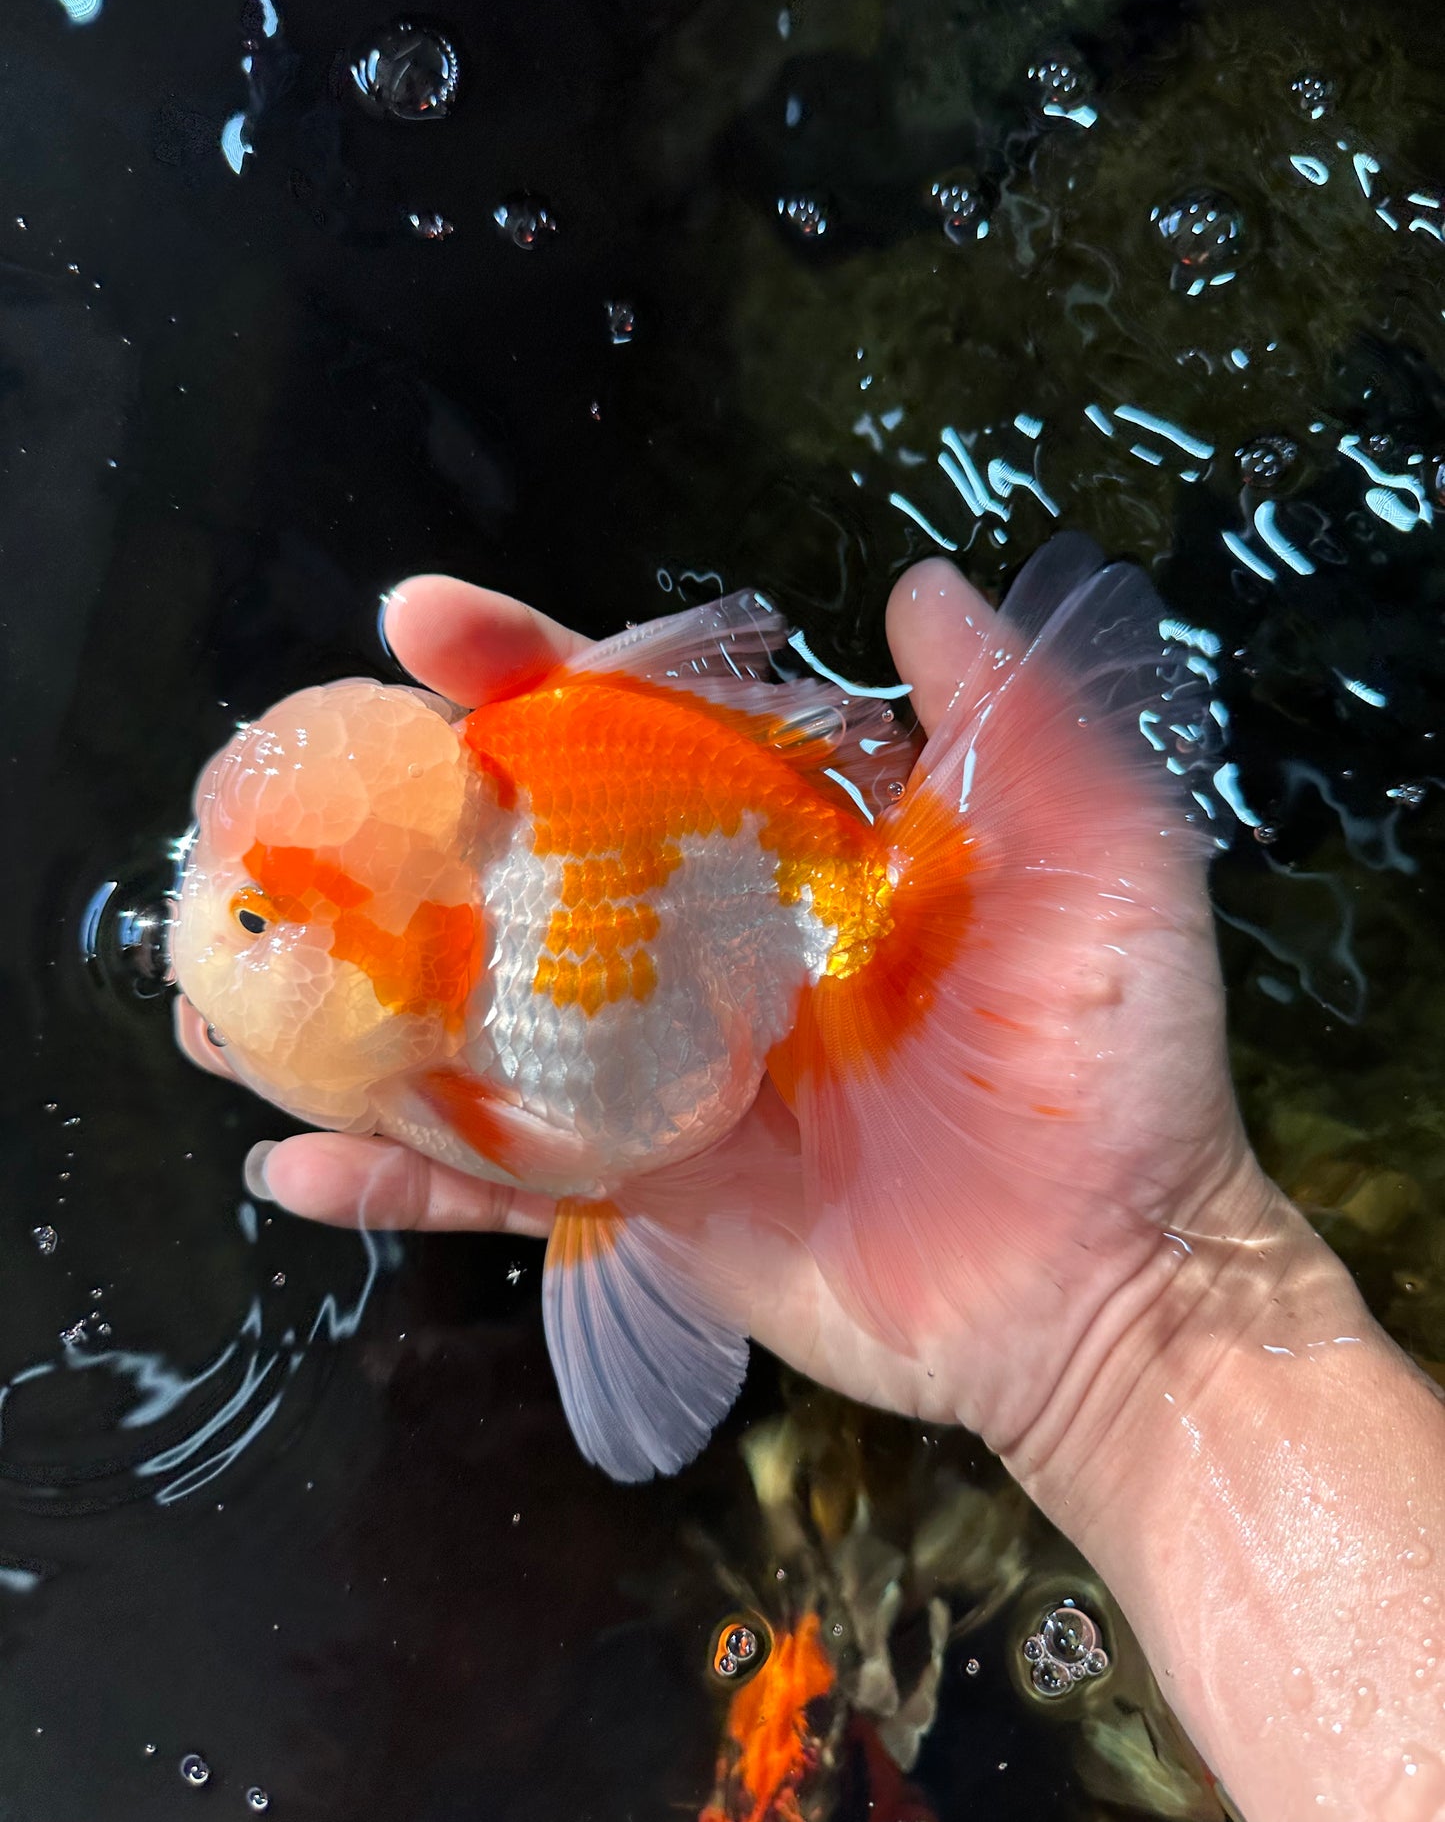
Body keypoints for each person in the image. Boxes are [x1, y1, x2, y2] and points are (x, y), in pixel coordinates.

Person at [225, 561, 1445, 1822]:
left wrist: (1129, 1323)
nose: (205, 945)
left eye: (256, 921)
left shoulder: (449, 1047)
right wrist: (1136, 1343)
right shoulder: (432, 1052)